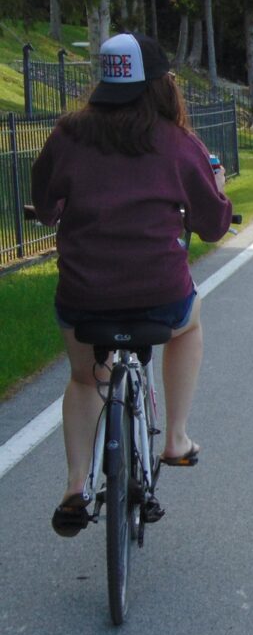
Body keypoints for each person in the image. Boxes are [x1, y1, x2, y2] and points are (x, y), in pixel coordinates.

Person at [31, 32, 233, 537]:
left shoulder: (68, 135)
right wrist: (220, 192)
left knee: (84, 379)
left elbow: (45, 200)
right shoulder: (177, 141)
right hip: (160, 296)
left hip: (84, 298)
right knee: (188, 326)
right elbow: (211, 225)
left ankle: (76, 486)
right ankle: (177, 439)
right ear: (159, 85)